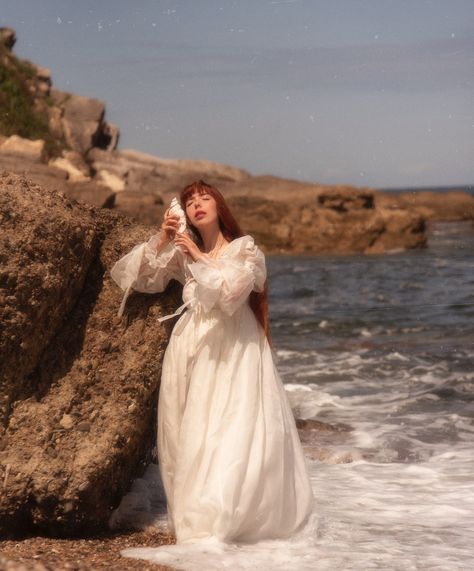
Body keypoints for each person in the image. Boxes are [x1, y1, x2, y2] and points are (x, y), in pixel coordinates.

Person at [110, 179, 314, 546]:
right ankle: (198, 511)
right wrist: (162, 239)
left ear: (220, 207)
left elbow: (233, 293)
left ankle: (233, 514)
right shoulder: (181, 251)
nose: (197, 205)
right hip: (193, 343)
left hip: (236, 345)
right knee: (193, 427)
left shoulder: (244, 248)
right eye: (189, 202)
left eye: (205, 198)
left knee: (235, 423)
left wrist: (198, 255)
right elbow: (134, 279)